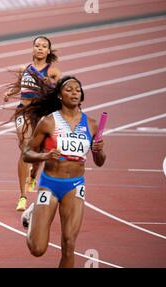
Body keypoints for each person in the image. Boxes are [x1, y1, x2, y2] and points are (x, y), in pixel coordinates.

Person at [20, 75, 106, 267]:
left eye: (78, 89)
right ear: (60, 95)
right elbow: (26, 153)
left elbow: (100, 162)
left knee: (69, 243)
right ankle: (32, 215)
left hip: (75, 186)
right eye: (69, 89)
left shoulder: (91, 125)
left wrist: (98, 151)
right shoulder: (49, 122)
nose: (74, 92)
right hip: (50, 184)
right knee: (37, 249)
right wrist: (44, 156)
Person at [3, 36, 61, 212]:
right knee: (25, 147)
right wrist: (10, 92)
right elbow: (20, 86)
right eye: (37, 46)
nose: (40, 48)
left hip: (41, 114)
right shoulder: (25, 68)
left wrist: (49, 86)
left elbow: (58, 92)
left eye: (44, 46)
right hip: (24, 112)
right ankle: (22, 196)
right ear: (33, 48)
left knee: (39, 151)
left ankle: (33, 175)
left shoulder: (53, 71)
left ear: (48, 51)